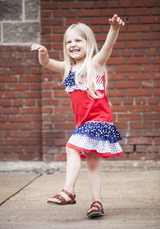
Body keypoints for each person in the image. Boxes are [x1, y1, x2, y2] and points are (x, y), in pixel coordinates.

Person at [31, 14, 125, 219]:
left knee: (71, 147)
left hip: (98, 120)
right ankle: (96, 203)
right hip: (84, 124)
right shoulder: (68, 68)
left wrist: (114, 29)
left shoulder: (95, 63)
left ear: (88, 43)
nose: (73, 44)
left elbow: (108, 47)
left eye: (78, 40)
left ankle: (68, 192)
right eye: (68, 41)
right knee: (93, 164)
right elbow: (46, 63)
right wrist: (43, 53)